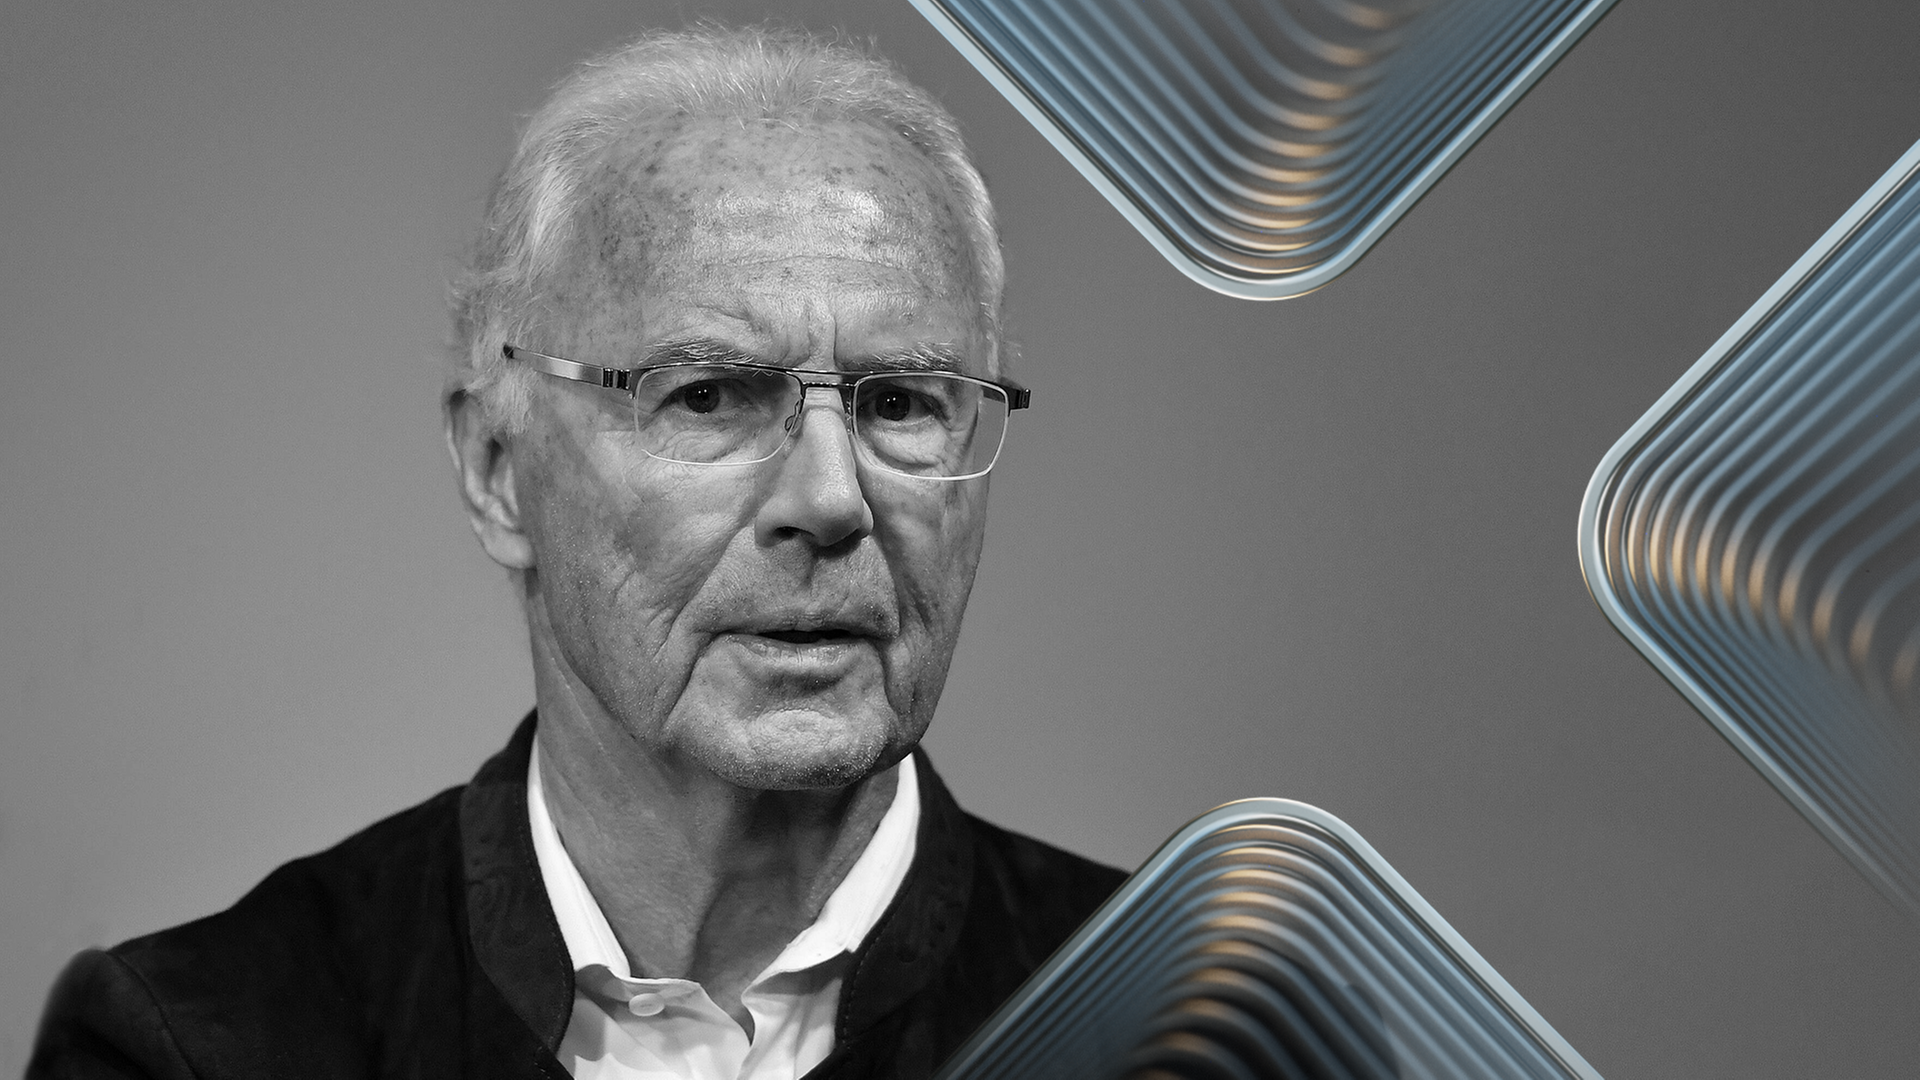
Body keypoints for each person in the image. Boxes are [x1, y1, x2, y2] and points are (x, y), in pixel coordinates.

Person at [28, 25, 1124, 1080]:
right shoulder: (194, 1046)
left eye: (899, 402)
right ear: (498, 469)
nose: (832, 499)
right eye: (709, 396)